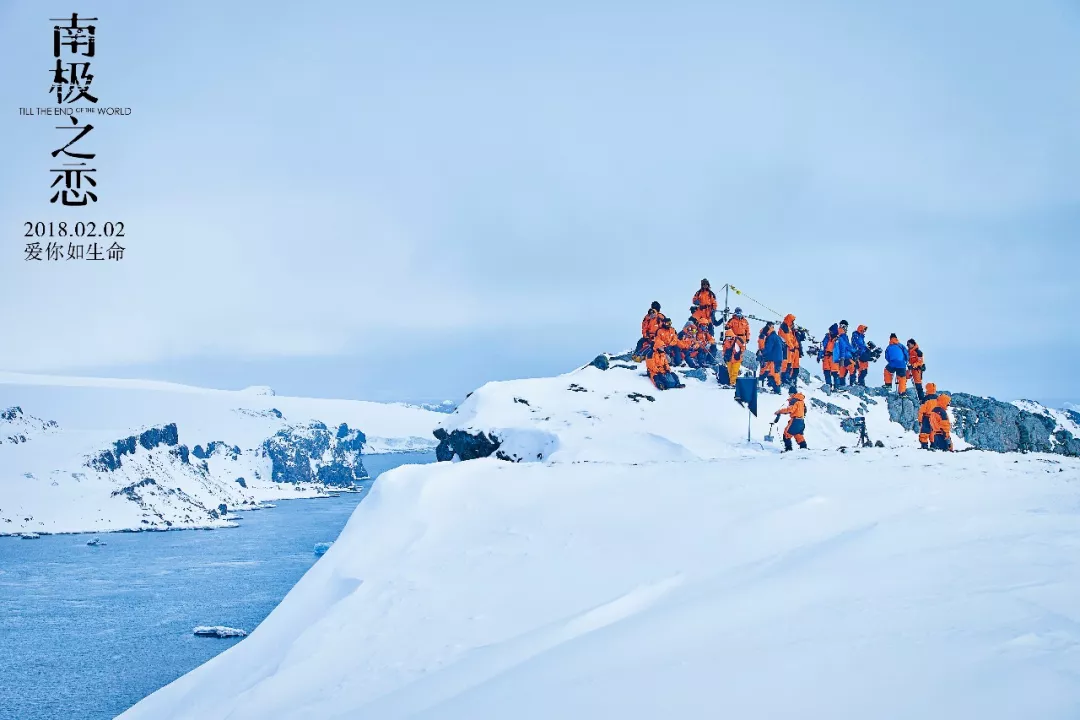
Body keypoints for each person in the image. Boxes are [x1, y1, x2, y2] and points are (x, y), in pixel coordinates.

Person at [761, 322, 786, 393]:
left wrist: (762, 352)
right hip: (778, 358)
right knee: (775, 372)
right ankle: (776, 388)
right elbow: (783, 346)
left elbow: (768, 348)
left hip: (773, 358)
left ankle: (777, 389)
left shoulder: (771, 337)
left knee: (774, 373)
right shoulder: (777, 337)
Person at [778, 314, 800, 388]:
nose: (793, 322)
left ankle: (786, 378)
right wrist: (792, 346)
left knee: (789, 364)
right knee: (786, 364)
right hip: (786, 348)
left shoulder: (788, 327)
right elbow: (787, 339)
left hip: (789, 348)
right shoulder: (784, 327)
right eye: (792, 320)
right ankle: (784, 379)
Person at [831, 322, 855, 388]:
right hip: (845, 356)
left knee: (842, 371)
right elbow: (846, 346)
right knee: (852, 367)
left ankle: (841, 384)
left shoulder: (837, 334)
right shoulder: (842, 335)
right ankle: (852, 385)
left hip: (839, 357)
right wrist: (854, 351)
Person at [917, 382, 939, 449]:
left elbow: (921, 411)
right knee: (933, 431)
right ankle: (934, 445)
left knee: (925, 431)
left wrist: (920, 420)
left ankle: (924, 445)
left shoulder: (926, 399)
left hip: (927, 417)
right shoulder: (938, 398)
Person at [820, 323, 839, 389]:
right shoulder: (827, 337)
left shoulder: (838, 339)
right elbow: (822, 346)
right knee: (826, 372)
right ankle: (828, 386)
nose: (830, 332)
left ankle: (836, 387)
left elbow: (842, 349)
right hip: (826, 356)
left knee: (835, 373)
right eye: (829, 331)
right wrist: (820, 355)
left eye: (831, 331)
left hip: (834, 357)